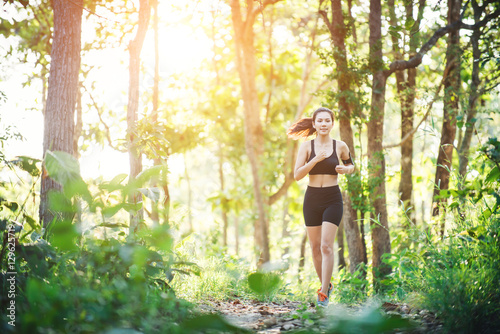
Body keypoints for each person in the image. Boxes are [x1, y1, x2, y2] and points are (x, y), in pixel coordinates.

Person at [287, 107, 355, 307]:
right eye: (320, 121)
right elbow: (297, 175)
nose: (324, 124)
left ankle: (323, 292)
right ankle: (327, 285)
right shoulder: (307, 147)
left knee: (326, 246)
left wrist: (346, 169)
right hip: (312, 199)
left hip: (333, 198)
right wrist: (316, 159)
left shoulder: (340, 146)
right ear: (314, 124)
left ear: (332, 123)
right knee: (315, 248)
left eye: (328, 121)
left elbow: (351, 165)